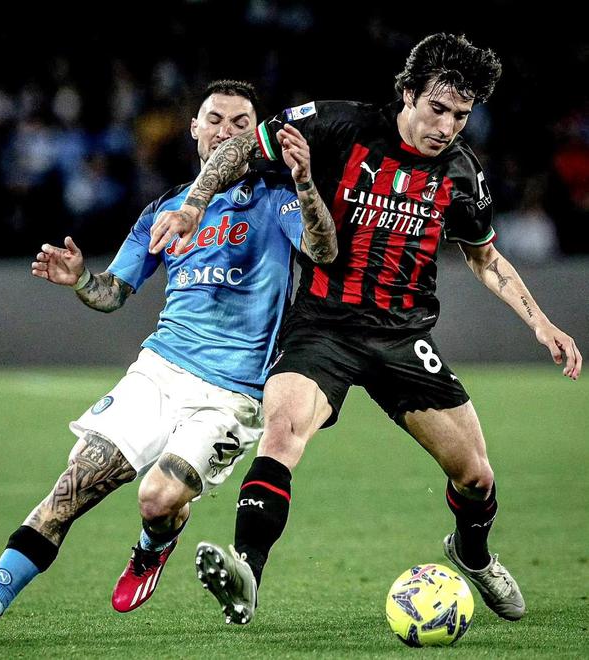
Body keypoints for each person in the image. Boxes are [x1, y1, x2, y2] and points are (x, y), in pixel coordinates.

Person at [150, 34, 583, 627]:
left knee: (476, 477)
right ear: (408, 94)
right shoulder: (338, 125)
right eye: (437, 108)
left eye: (460, 116)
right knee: (282, 433)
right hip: (322, 327)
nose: (446, 127)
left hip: (402, 338)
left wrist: (540, 321)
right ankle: (246, 569)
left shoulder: (460, 171)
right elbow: (242, 148)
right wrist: (196, 202)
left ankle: (473, 554)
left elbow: (484, 257)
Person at [0, 80, 337, 644]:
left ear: (256, 134)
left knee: (158, 498)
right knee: (75, 483)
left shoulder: (277, 197)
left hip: (233, 391)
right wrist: (81, 280)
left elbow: (322, 250)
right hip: (159, 370)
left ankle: (153, 546)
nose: (226, 131)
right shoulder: (164, 209)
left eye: (241, 123)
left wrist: (306, 182)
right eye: (215, 119)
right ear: (194, 129)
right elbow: (112, 293)